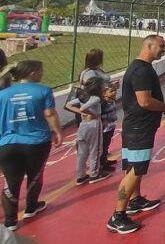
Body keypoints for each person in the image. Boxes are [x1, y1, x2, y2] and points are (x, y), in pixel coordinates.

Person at [107, 35, 165, 234]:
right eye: (161, 46)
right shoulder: (142, 71)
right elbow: (145, 101)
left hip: (136, 126)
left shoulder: (140, 68)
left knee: (134, 166)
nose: (164, 49)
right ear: (148, 45)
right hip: (139, 128)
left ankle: (135, 199)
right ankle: (118, 215)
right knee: (136, 169)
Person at [0, 60, 62, 231]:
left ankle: (11, 221)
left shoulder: (3, 94)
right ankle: (31, 207)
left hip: (8, 143)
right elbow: (49, 114)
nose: (42, 74)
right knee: (35, 175)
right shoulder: (43, 90)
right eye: (40, 70)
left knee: (10, 181)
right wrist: (57, 132)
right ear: (33, 72)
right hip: (36, 142)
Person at [65, 78, 110, 185]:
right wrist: (92, 114)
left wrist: (82, 112)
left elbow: (68, 105)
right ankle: (94, 174)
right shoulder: (96, 98)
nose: (105, 87)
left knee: (82, 151)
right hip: (93, 124)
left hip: (83, 125)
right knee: (96, 149)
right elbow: (83, 108)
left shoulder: (84, 98)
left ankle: (81, 176)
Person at [75, 49, 114, 126]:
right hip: (97, 108)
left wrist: (111, 85)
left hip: (102, 104)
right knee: (101, 133)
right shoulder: (89, 73)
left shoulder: (97, 69)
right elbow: (93, 90)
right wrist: (108, 88)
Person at [99, 81, 119, 173]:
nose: (114, 93)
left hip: (111, 126)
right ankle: (102, 164)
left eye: (115, 91)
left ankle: (105, 160)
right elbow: (99, 114)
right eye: (111, 91)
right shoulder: (103, 103)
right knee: (103, 145)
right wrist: (103, 121)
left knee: (106, 145)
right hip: (105, 128)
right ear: (104, 93)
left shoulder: (112, 101)